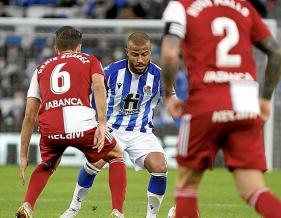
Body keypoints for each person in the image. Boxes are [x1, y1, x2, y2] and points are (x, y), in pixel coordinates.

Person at [161, 1, 281, 218]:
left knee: (187, 185)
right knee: (254, 189)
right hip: (245, 103)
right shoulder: (244, 6)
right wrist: (265, 99)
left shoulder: (181, 6)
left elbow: (171, 54)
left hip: (206, 98)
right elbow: (277, 54)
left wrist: (167, 94)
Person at [15, 26, 126, 218]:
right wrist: (101, 122)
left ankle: (27, 205)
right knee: (116, 155)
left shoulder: (40, 68)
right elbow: (99, 86)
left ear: (56, 48)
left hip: (51, 128)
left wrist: (23, 155)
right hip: (82, 124)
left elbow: (29, 116)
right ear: (79, 47)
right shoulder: (90, 60)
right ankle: (117, 212)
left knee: (48, 163)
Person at [61, 32, 169, 218]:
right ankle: (73, 208)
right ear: (127, 52)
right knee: (94, 163)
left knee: (160, 168)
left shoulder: (160, 76)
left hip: (141, 132)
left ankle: (151, 217)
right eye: (135, 54)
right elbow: (88, 93)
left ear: (150, 52)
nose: (140, 59)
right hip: (111, 129)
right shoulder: (111, 72)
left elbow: (175, 104)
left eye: (144, 54)